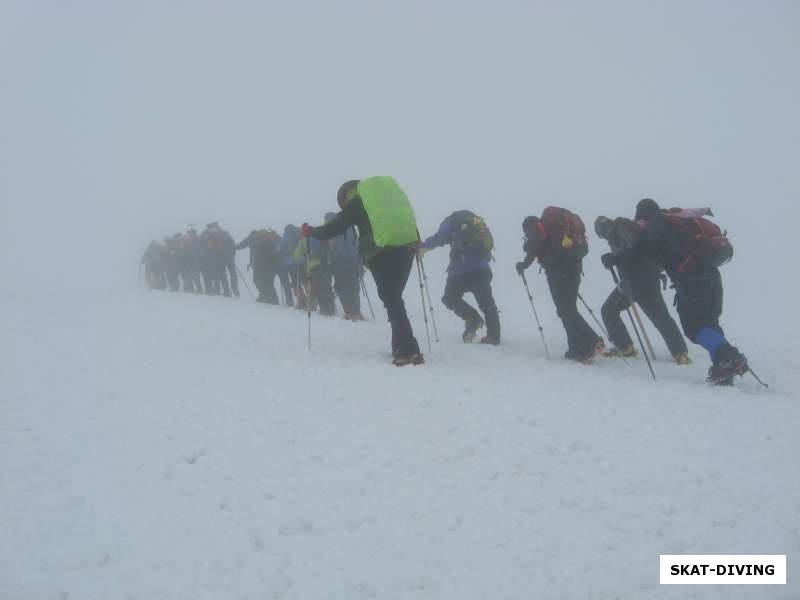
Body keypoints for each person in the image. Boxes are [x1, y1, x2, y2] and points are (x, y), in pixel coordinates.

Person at [602, 198, 746, 385]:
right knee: (709, 323)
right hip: (710, 274)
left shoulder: (655, 225)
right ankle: (723, 365)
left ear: (642, 215)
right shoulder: (675, 222)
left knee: (694, 327)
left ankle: (729, 358)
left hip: (692, 278)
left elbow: (638, 251)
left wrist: (615, 258)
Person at [302, 177, 423, 366]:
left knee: (392, 301)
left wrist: (312, 232)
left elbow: (334, 228)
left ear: (345, 197)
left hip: (381, 253)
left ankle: (410, 351)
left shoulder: (357, 203)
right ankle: (399, 345)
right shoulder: (386, 199)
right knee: (394, 300)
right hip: (406, 249)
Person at [594, 215, 689, 363]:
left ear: (601, 230)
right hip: (649, 275)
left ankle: (625, 348)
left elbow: (632, 253)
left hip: (634, 279)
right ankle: (680, 352)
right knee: (660, 316)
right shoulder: (629, 226)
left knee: (609, 310)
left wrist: (614, 260)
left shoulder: (616, 231)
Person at [516, 207, 604, 363]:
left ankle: (591, 340)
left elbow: (536, 243)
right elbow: (539, 243)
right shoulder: (555, 228)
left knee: (565, 310)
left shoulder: (533, 224)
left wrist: (524, 264)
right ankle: (575, 347)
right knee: (568, 309)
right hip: (574, 266)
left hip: (558, 268)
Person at [419, 210, 500, 344]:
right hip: (482, 268)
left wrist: (421, 247)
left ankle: (473, 318)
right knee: (487, 302)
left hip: (461, 269)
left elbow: (439, 238)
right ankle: (494, 335)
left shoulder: (452, 220)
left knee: (450, 298)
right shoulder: (476, 222)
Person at [324, 212, 364, 320]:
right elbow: (357, 244)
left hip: (339, 261)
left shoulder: (333, 229)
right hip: (354, 260)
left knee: (341, 287)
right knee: (353, 286)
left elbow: (332, 248)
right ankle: (357, 312)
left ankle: (349, 312)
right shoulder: (350, 227)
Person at [293, 233, 336, 316]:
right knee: (327, 286)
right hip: (326, 264)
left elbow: (296, 256)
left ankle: (325, 309)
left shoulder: (304, 239)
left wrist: (305, 258)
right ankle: (331, 308)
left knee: (318, 287)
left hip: (314, 266)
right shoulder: (321, 235)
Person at [236, 229, 281, 303]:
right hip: (258, 265)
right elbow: (244, 244)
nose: (259, 237)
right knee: (257, 281)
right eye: (258, 236)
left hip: (269, 266)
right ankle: (264, 296)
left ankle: (273, 300)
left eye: (261, 236)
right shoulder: (255, 240)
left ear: (265, 236)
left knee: (268, 283)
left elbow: (270, 255)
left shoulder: (269, 242)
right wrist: (234, 248)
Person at [277, 225, 306, 309]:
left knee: (295, 283)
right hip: (302, 262)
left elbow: (279, 249)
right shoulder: (299, 234)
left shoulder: (285, 238)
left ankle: (301, 302)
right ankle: (311, 301)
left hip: (291, 263)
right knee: (305, 281)